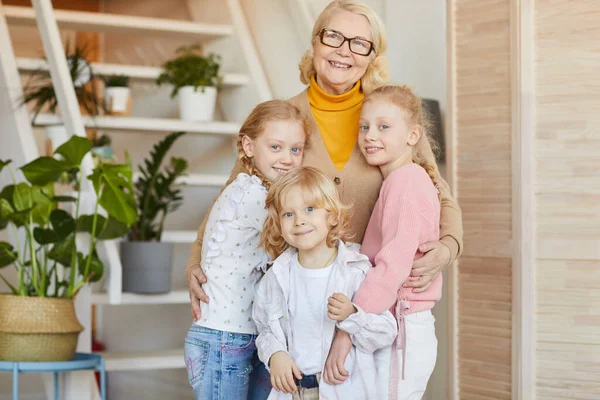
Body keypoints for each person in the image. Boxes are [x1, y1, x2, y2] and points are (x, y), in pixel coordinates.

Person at [186, 0, 463, 383]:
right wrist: (196, 258)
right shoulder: (284, 117)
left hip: (362, 305)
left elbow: (438, 192)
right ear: (315, 43)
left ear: (372, 56)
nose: (344, 50)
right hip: (294, 305)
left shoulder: (388, 117)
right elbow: (237, 189)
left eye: (360, 43)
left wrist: (448, 246)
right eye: (333, 36)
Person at [183, 100, 310, 400]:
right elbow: (297, 243)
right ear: (249, 146)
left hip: (234, 335)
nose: (288, 159)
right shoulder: (254, 197)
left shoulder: (254, 189)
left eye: (296, 149)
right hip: (224, 338)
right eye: (276, 147)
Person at [329, 84, 444, 399]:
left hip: (403, 325)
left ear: (412, 135)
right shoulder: (401, 179)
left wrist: (347, 332)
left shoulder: (406, 183)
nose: (369, 135)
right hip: (395, 321)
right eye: (364, 126)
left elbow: (392, 266)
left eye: (383, 127)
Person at [253, 166, 397, 400]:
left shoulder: (356, 270)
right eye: (288, 214)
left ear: (332, 216)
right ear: (278, 222)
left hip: (345, 389)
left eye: (310, 209)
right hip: (292, 391)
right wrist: (275, 353)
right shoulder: (276, 275)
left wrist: (352, 315)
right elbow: (264, 327)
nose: (299, 221)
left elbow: (386, 332)